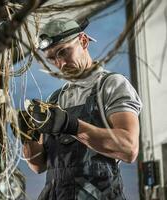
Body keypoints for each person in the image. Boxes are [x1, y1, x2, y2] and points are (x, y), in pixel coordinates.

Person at [14, 18, 142, 200]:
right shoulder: (55, 99)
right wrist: (27, 137)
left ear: (82, 41)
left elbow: (129, 149)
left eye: (63, 52)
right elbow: (39, 166)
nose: (61, 64)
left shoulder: (111, 85)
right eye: (52, 59)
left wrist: (72, 126)